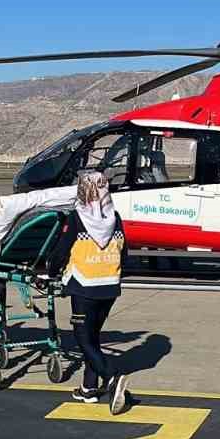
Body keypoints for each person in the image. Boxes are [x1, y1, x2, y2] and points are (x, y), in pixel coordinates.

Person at [49, 170, 129, 414]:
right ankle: (88, 387)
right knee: (93, 336)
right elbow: (124, 251)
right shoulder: (114, 217)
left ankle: (112, 377)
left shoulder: (77, 218)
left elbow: (62, 251)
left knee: (83, 338)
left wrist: (51, 270)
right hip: (109, 286)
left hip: (84, 285)